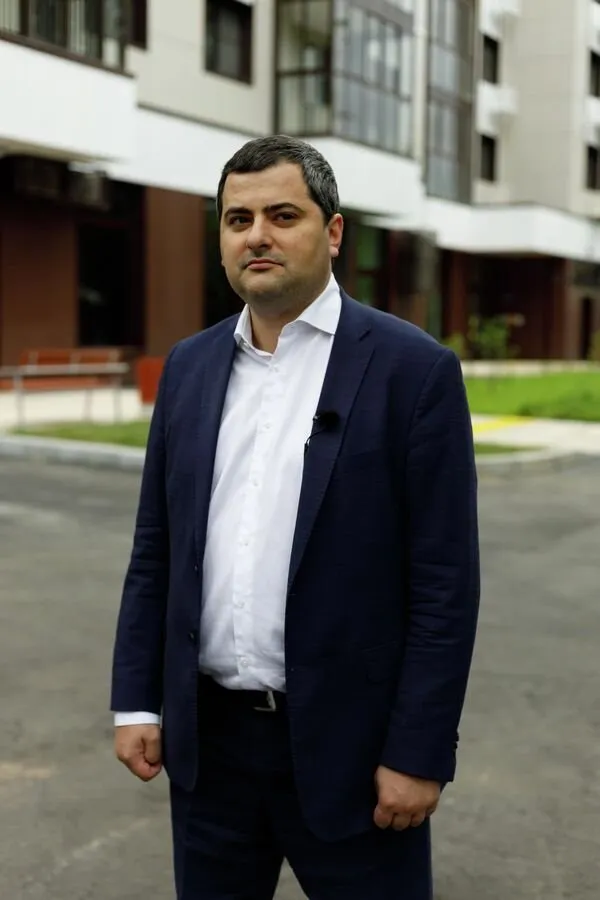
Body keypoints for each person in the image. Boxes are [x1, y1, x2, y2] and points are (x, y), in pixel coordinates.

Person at [110, 134, 480, 900]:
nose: (258, 236)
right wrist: (137, 701)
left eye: (283, 216)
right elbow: (156, 548)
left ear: (333, 231)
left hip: (357, 758)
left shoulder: (414, 372)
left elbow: (444, 584)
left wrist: (418, 751)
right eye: (237, 219)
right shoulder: (189, 367)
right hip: (210, 752)